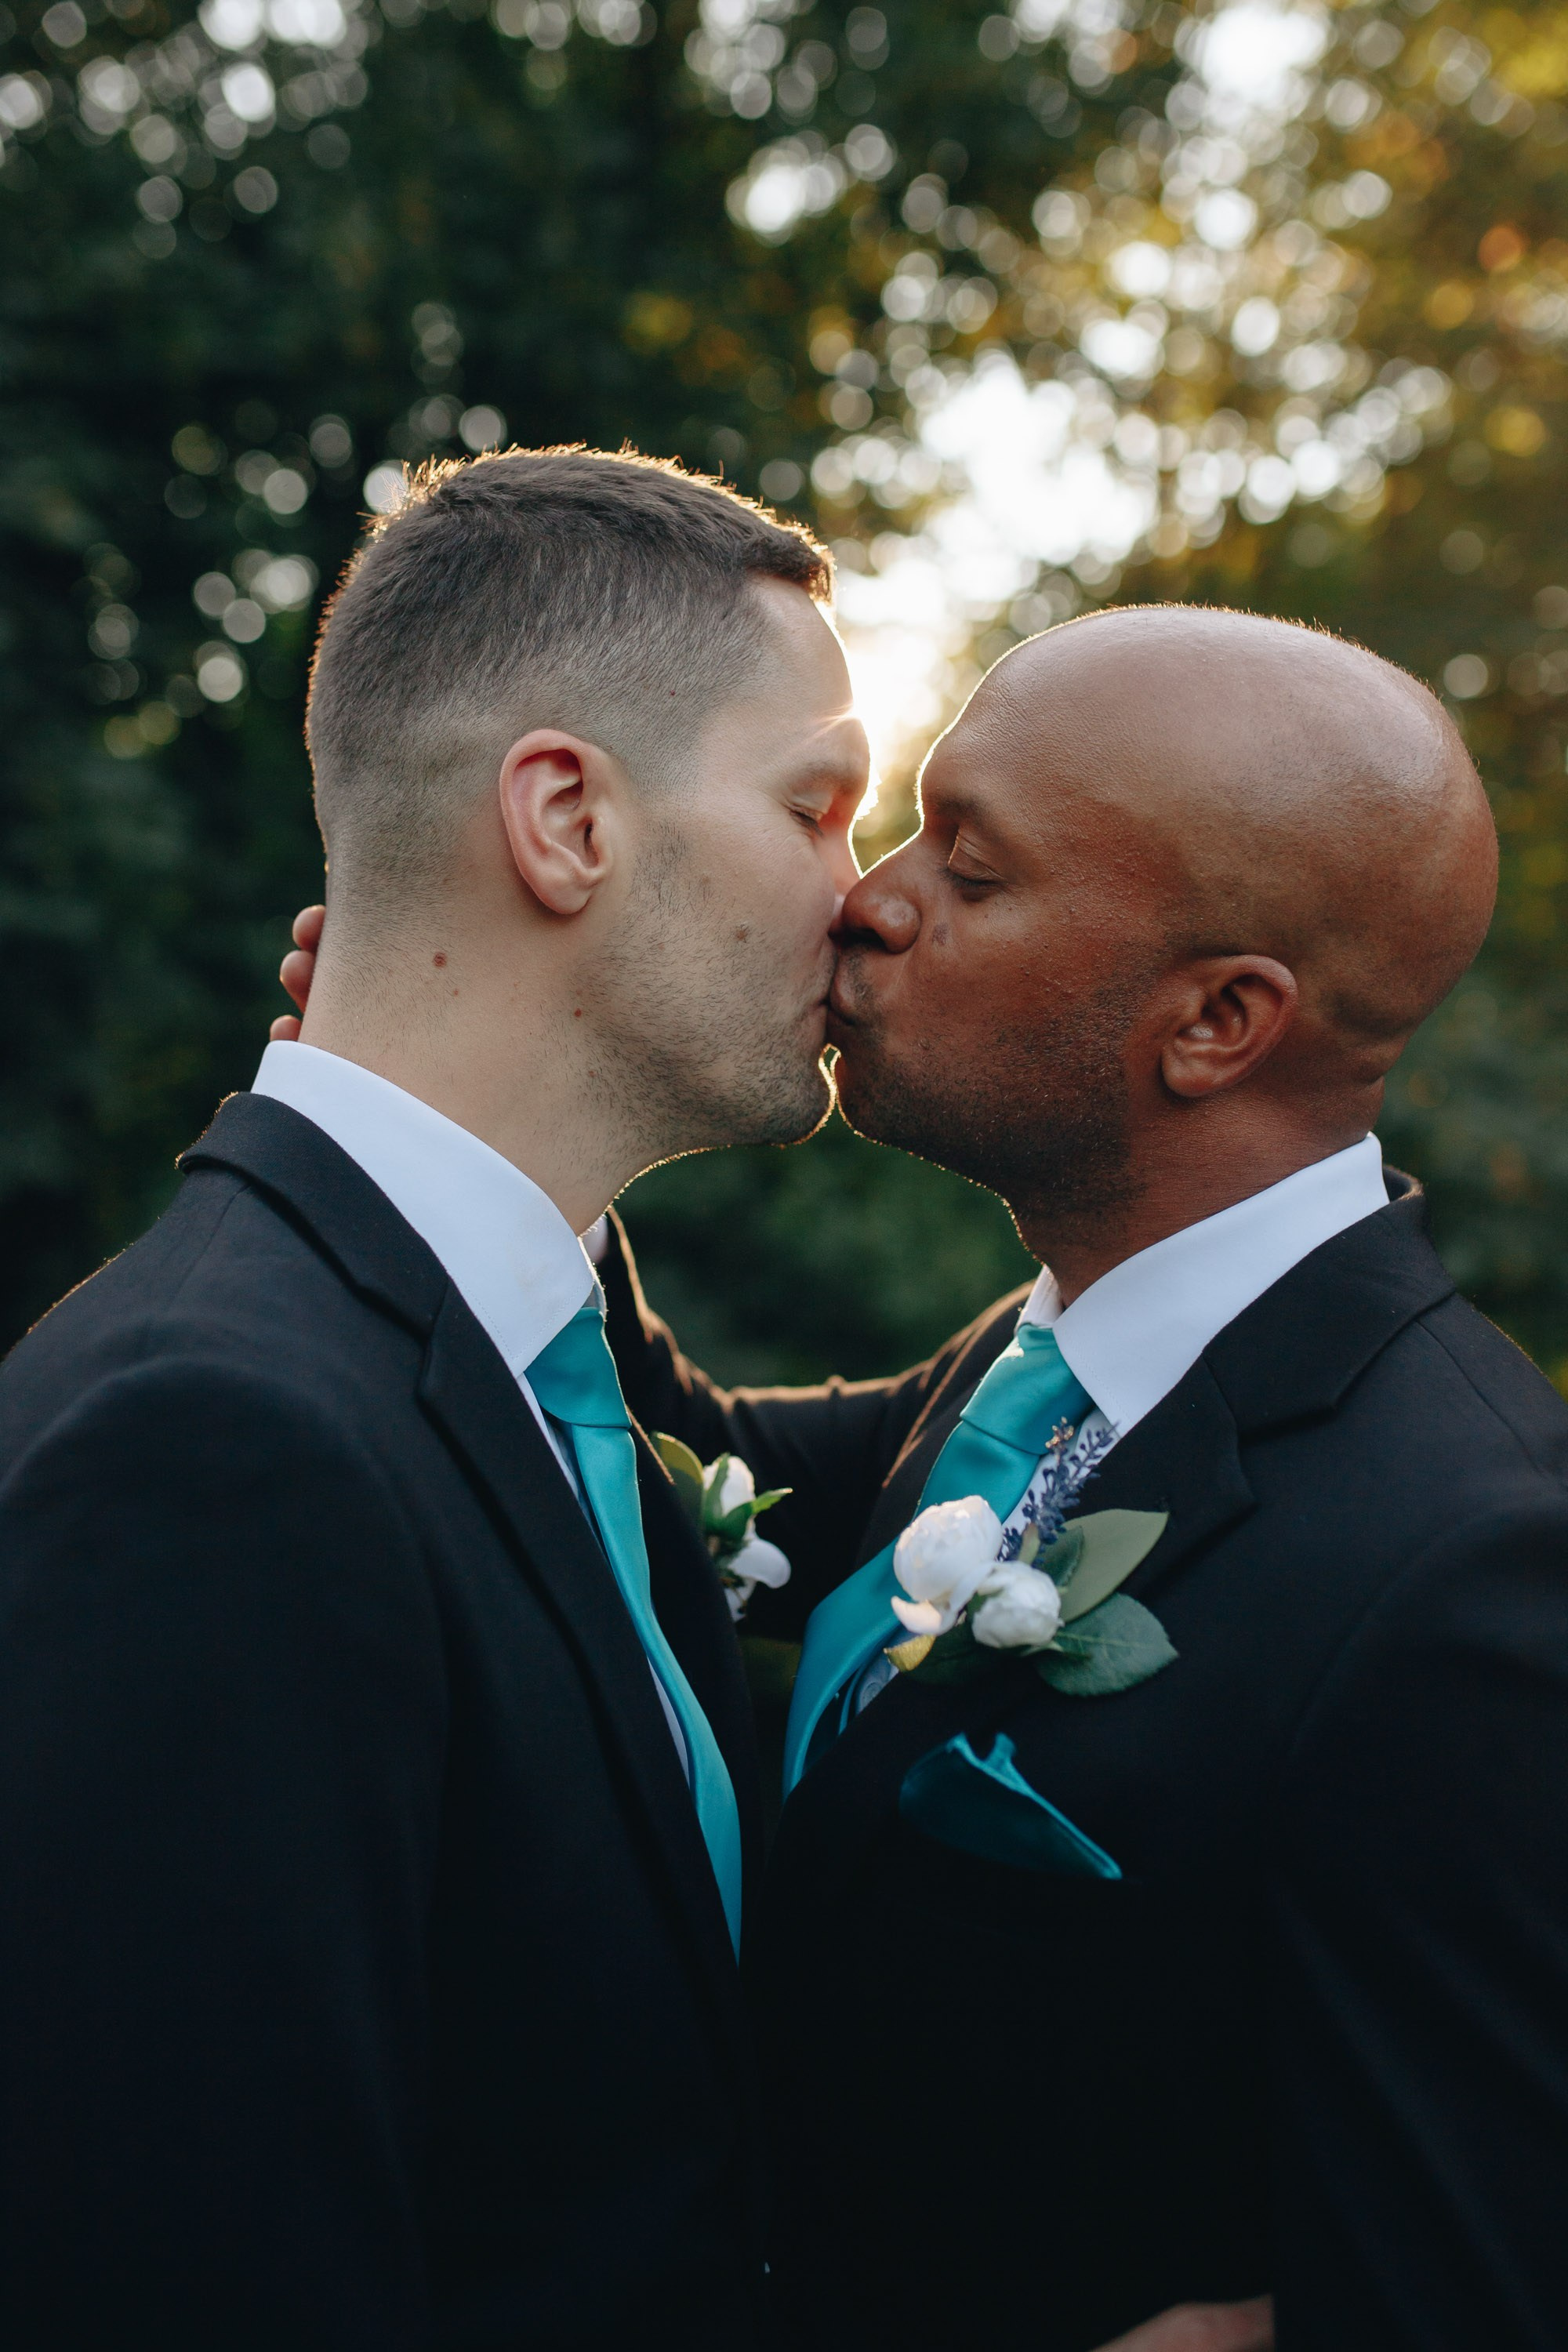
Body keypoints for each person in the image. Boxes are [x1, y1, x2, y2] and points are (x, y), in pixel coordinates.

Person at [0, 451, 1252, 2352]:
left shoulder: (505, 1361)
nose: (863, 905)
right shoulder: (216, 1450)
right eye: (818, 808)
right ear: (567, 821)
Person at [583, 607, 1568, 2349]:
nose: (868, 900)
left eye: (966, 869)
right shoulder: (1046, 1360)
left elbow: (1457, 2273)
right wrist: (508, 1093)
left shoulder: (1465, 1568)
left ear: (1213, 1024)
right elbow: (710, 1477)